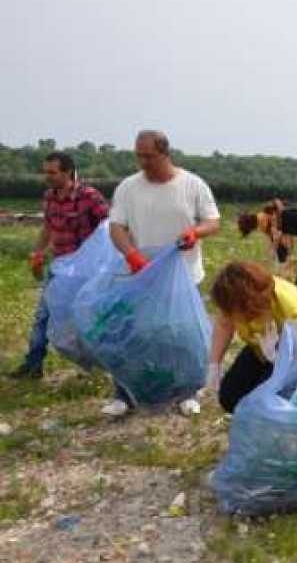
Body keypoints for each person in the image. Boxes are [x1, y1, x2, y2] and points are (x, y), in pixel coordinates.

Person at [105, 130, 221, 417]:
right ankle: (124, 395)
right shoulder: (128, 188)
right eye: (138, 155)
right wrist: (130, 254)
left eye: (148, 156)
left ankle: (187, 392)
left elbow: (213, 221)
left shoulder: (192, 185)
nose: (143, 162)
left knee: (182, 336)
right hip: (141, 274)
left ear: (164, 153)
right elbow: (116, 227)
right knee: (134, 334)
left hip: (184, 275)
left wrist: (196, 232)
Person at [9, 152, 109, 379]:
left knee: (90, 318)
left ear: (67, 172)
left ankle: (106, 363)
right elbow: (47, 227)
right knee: (43, 316)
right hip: (59, 267)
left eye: (52, 172)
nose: (48, 177)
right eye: (45, 172)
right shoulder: (49, 197)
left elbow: (109, 227)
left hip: (85, 271)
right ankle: (33, 365)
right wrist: (38, 252)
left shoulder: (89, 196)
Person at [206, 261, 297, 413]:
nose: (232, 317)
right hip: (263, 348)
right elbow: (224, 323)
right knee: (231, 396)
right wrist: (215, 364)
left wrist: (278, 359)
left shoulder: (289, 304)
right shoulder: (234, 304)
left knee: (268, 402)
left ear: (248, 304)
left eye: (234, 312)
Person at [237, 200, 297, 285]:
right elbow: (283, 251)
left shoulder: (286, 216)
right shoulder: (276, 224)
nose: (269, 230)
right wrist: (275, 247)